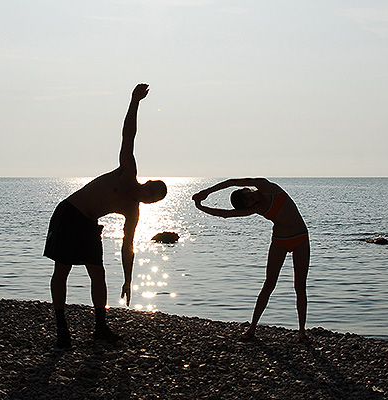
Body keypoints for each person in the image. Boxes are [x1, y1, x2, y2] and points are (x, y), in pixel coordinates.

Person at [44, 83, 167, 348]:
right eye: (153, 190)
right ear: (147, 183)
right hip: (70, 213)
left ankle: (100, 327)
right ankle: (62, 329)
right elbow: (128, 136)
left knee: (98, 273)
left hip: (89, 224)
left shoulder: (133, 211)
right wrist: (135, 102)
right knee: (61, 270)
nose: (151, 196)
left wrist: (128, 279)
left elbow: (128, 247)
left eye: (155, 198)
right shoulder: (127, 171)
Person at [192, 178, 310, 342]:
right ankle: (252, 329)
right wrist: (201, 207)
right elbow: (227, 214)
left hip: (301, 238)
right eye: (245, 203)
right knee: (269, 284)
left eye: (246, 196)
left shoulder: (266, 186)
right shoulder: (256, 208)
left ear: (246, 189)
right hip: (280, 241)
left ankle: (302, 332)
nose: (249, 200)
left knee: (300, 286)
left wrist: (206, 192)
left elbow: (232, 182)